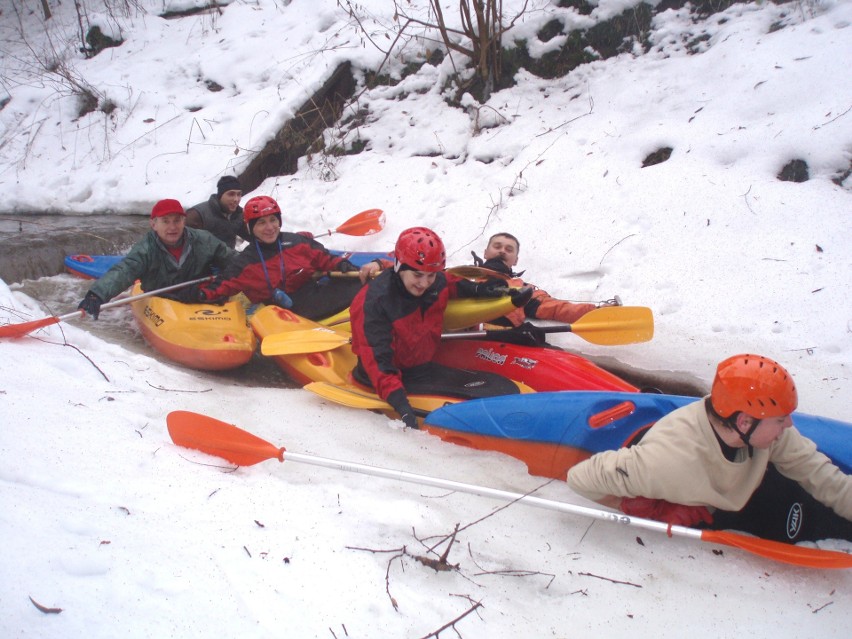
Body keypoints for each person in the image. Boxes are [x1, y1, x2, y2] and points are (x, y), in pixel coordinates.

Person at [566, 354, 852, 543]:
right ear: (743, 421)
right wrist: (650, 508)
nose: (789, 424)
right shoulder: (669, 460)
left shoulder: (772, 434)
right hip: (716, 506)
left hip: (742, 491)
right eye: (780, 419)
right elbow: (581, 478)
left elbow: (823, 477)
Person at [350, 226, 534, 429]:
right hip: (382, 380)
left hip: (420, 369)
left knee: (495, 387)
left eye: (430, 276)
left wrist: (483, 290)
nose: (425, 283)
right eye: (418, 275)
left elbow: (452, 283)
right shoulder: (375, 302)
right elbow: (378, 361)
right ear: (399, 266)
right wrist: (400, 404)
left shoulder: (434, 281)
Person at [192, 195, 365, 319]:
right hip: (282, 315)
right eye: (261, 223)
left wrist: (341, 264)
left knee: (361, 282)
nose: (269, 228)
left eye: (273, 220)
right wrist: (197, 294)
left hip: (312, 295)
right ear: (251, 228)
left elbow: (325, 258)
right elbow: (221, 286)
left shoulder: (297, 242)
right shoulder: (245, 262)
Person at [77, 199, 235, 319]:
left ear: (184, 221)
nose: (172, 227)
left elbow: (233, 260)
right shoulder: (145, 249)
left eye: (177, 220)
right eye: (165, 221)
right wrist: (96, 295)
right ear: (154, 224)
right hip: (161, 299)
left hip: (197, 296)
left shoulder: (204, 240)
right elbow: (125, 270)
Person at [471, 232, 617, 327]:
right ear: (485, 253)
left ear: (515, 260)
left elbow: (555, 308)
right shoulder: (460, 277)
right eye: (497, 246)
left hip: (497, 346)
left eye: (509, 250)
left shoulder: (521, 289)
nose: (502, 251)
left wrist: (595, 312)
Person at [185, 175, 249, 249]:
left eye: (239, 194)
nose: (236, 199)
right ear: (220, 195)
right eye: (231, 194)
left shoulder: (238, 214)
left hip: (230, 258)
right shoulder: (196, 215)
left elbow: (254, 237)